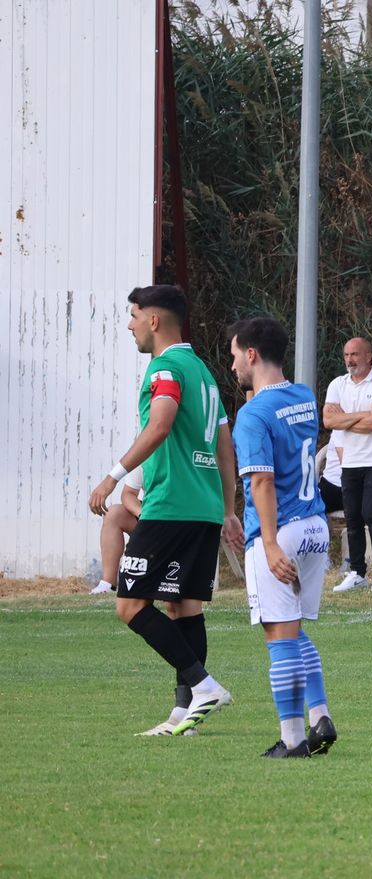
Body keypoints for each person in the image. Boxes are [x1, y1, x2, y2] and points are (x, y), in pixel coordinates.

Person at [88, 285, 241, 737]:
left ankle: (204, 685)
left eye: (134, 316)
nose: (130, 325)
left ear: (154, 321)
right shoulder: (205, 373)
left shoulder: (166, 368)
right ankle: (184, 715)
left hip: (171, 504)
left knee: (130, 604)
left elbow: (160, 423)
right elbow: (226, 447)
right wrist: (228, 508)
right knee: (182, 606)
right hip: (204, 506)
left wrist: (113, 476)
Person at [228, 317, 338, 759]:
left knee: (278, 636)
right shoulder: (305, 396)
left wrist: (269, 543)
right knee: (292, 629)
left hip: (282, 531)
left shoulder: (252, 415)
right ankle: (320, 714)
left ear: (252, 354)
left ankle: (292, 740)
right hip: (316, 526)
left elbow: (262, 483)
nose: (233, 363)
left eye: (235, 353)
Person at [322, 336, 372, 592]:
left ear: (368, 356)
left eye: (355, 354)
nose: (349, 360)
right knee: (353, 516)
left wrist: (345, 418)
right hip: (350, 460)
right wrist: (361, 415)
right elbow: (329, 422)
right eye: (346, 355)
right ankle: (357, 572)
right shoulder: (337, 384)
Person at [91, 465, 143, 594]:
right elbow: (128, 494)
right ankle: (108, 584)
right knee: (114, 514)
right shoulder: (147, 455)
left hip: (188, 520)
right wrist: (144, 516)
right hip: (154, 518)